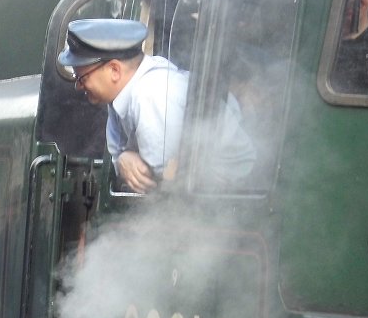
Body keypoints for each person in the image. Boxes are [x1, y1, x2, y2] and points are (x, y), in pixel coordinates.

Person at [57, 18, 254, 193]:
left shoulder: (151, 95)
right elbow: (118, 153)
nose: (78, 86)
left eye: (82, 78)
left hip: (232, 190)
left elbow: (161, 184)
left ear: (115, 70)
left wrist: (126, 162)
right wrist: (123, 158)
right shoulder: (121, 95)